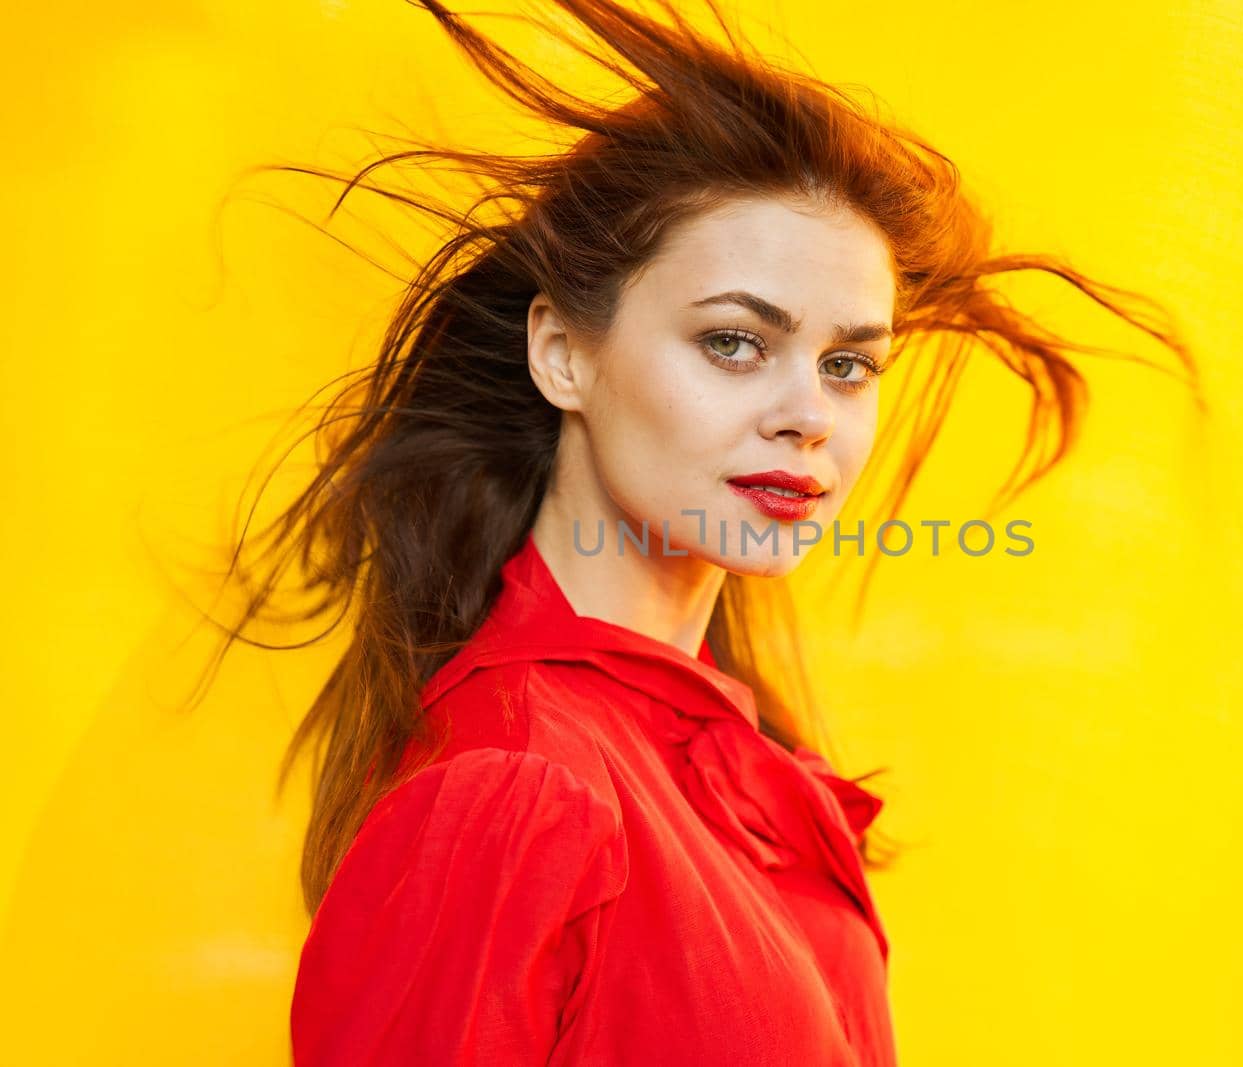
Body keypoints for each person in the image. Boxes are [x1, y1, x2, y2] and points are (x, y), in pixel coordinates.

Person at [198, 0, 1193, 1062]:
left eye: (848, 364)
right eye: (732, 341)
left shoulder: (728, 765)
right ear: (563, 353)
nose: (807, 413)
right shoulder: (512, 790)